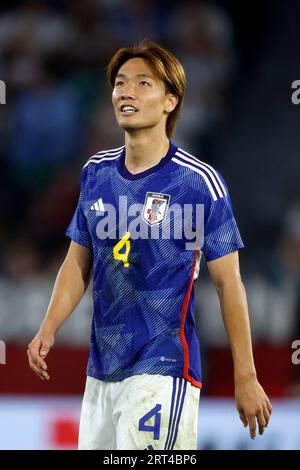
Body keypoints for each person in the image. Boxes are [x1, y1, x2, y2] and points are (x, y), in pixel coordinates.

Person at [27, 39, 272, 450]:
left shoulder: (198, 183)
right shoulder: (95, 173)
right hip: (101, 374)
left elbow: (230, 284)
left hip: (164, 368)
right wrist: (48, 327)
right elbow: (77, 262)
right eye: (120, 83)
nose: (126, 91)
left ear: (170, 101)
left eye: (143, 83)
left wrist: (245, 375)